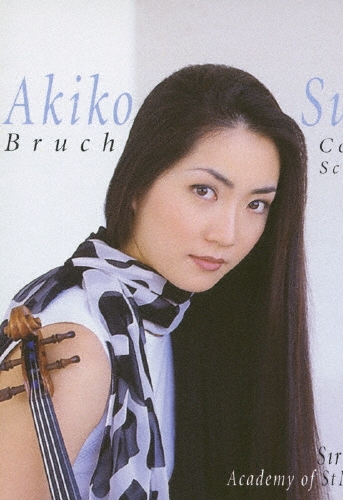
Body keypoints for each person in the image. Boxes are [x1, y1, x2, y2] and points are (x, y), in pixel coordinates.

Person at [0, 64, 322, 499]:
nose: (228, 234)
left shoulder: (166, 317)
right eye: (204, 191)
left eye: (256, 204)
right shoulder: (78, 345)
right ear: (138, 183)